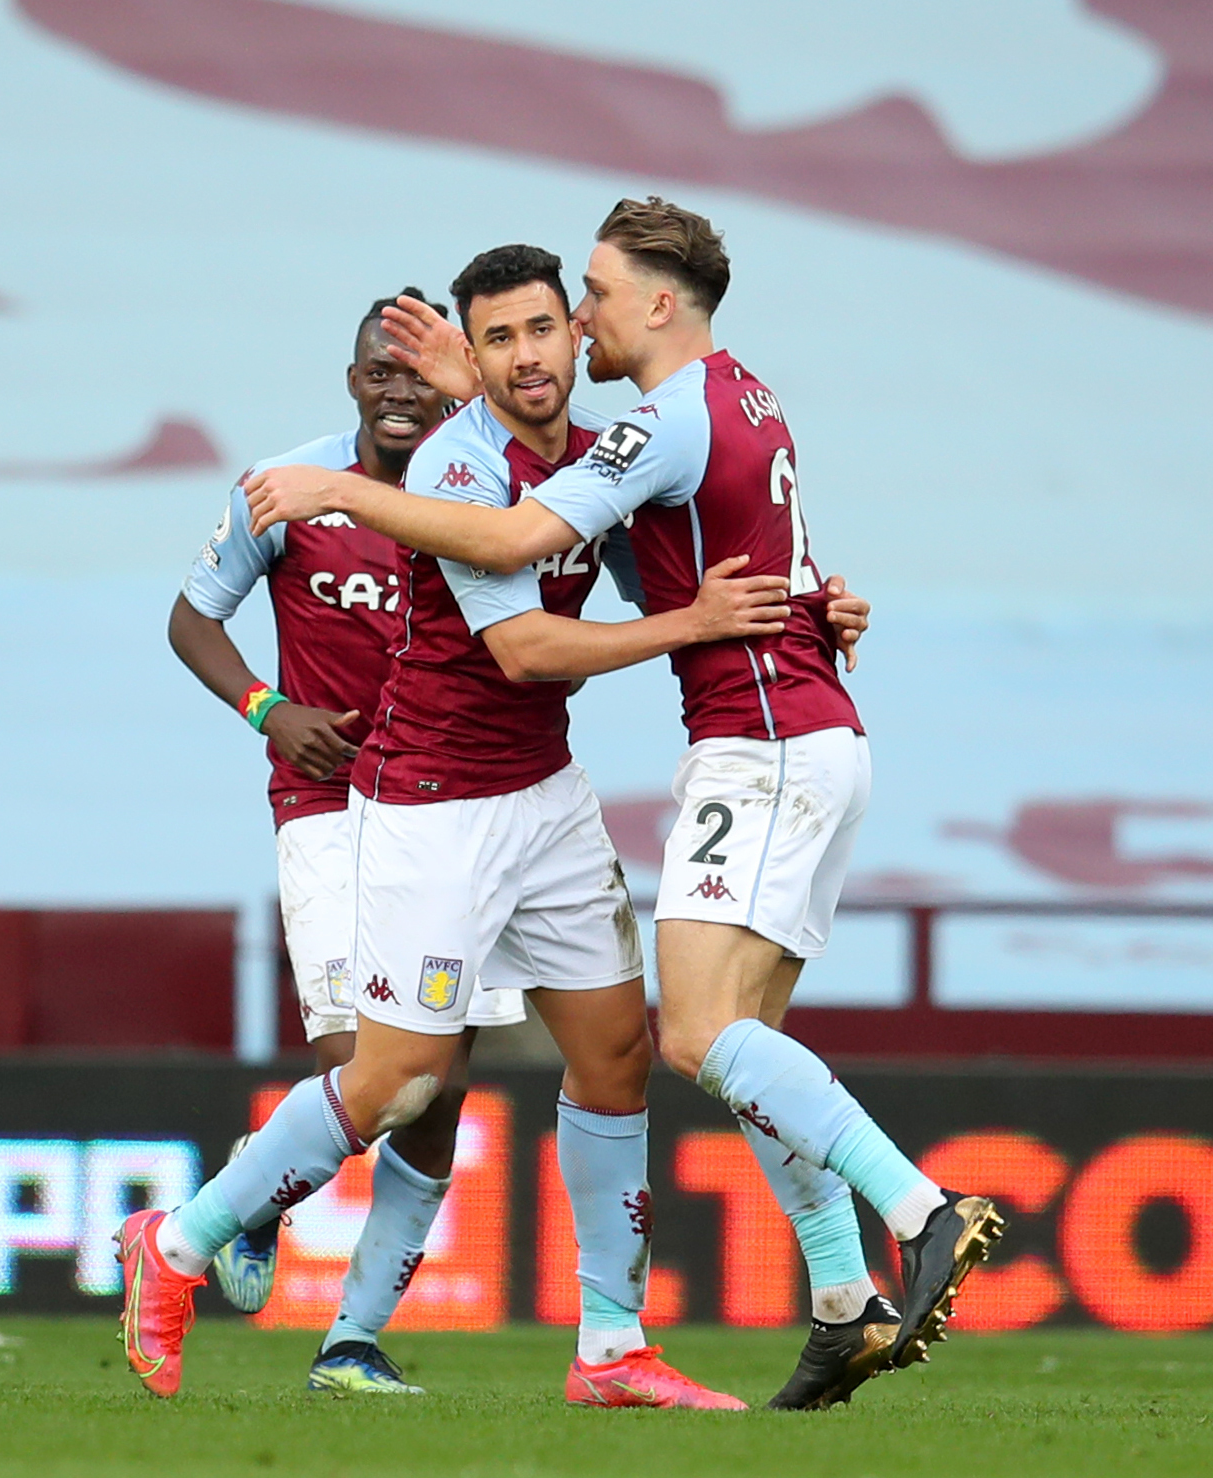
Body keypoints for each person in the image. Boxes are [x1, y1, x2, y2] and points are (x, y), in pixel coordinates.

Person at [242, 198, 1004, 1409]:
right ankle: (837, 1295)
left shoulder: (660, 418)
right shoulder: (743, 394)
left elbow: (521, 529)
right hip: (807, 734)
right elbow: (752, 552)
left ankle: (920, 1209)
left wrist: (334, 488)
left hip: (756, 748)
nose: (577, 321)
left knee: (695, 1038)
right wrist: (820, 612)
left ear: (655, 303)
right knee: (747, 1051)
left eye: (585, 298)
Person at [118, 245, 798, 1409]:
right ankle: (176, 1243)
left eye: (542, 330)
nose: (527, 355)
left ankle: (609, 1347)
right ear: (471, 363)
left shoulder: (599, 461)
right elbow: (526, 648)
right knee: (397, 1082)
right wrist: (693, 623)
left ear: (573, 340)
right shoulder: (455, 466)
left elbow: (672, 569)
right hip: (432, 803)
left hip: (544, 790)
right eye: (499, 340)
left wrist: (815, 603)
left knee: (617, 1053)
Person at [166, 289, 532, 1396]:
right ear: (352, 383)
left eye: (421, 371)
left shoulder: (492, 491)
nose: (400, 390)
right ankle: (255, 1191)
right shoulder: (287, 489)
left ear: (453, 377)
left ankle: (352, 1342)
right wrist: (264, 707)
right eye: (381, 371)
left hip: (451, 805)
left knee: (441, 1087)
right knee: (367, 1069)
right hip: (326, 808)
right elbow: (190, 618)